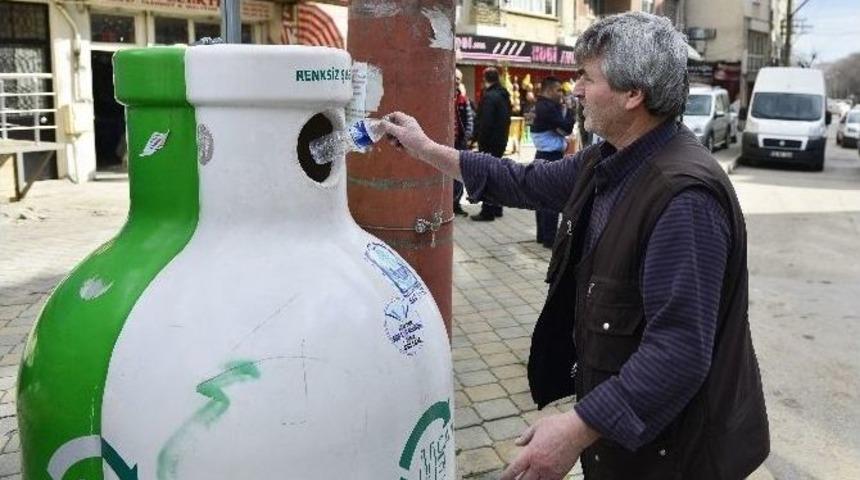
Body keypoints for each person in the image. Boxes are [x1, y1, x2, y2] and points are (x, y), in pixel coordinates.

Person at [379, 11, 768, 480]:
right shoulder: (611, 159)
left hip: (674, 454)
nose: (575, 90)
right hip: (631, 439)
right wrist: (425, 149)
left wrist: (577, 428)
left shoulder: (682, 198)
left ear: (632, 94)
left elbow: (680, 351)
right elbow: (522, 180)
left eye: (587, 77)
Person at [531, 76, 575, 248]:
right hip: (550, 157)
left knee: (541, 197)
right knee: (551, 197)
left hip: (543, 155)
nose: (561, 94)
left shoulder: (541, 105)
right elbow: (566, 128)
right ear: (549, 90)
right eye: (558, 90)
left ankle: (543, 235)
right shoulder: (548, 107)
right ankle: (549, 238)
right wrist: (570, 111)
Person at [471, 67, 511, 221]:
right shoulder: (503, 95)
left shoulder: (489, 97)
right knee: (496, 175)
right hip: (500, 142)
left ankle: (487, 211)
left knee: (487, 176)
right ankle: (497, 208)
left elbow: (485, 123)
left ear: (485, 79)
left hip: (489, 144)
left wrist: (476, 139)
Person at [453, 69, 475, 217]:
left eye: (459, 79)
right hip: (445, 144)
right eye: (454, 78)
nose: (456, 81)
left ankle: (456, 204)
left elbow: (469, 121)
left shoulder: (463, 99)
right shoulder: (441, 96)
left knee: (459, 174)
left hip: (459, 143)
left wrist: (465, 138)